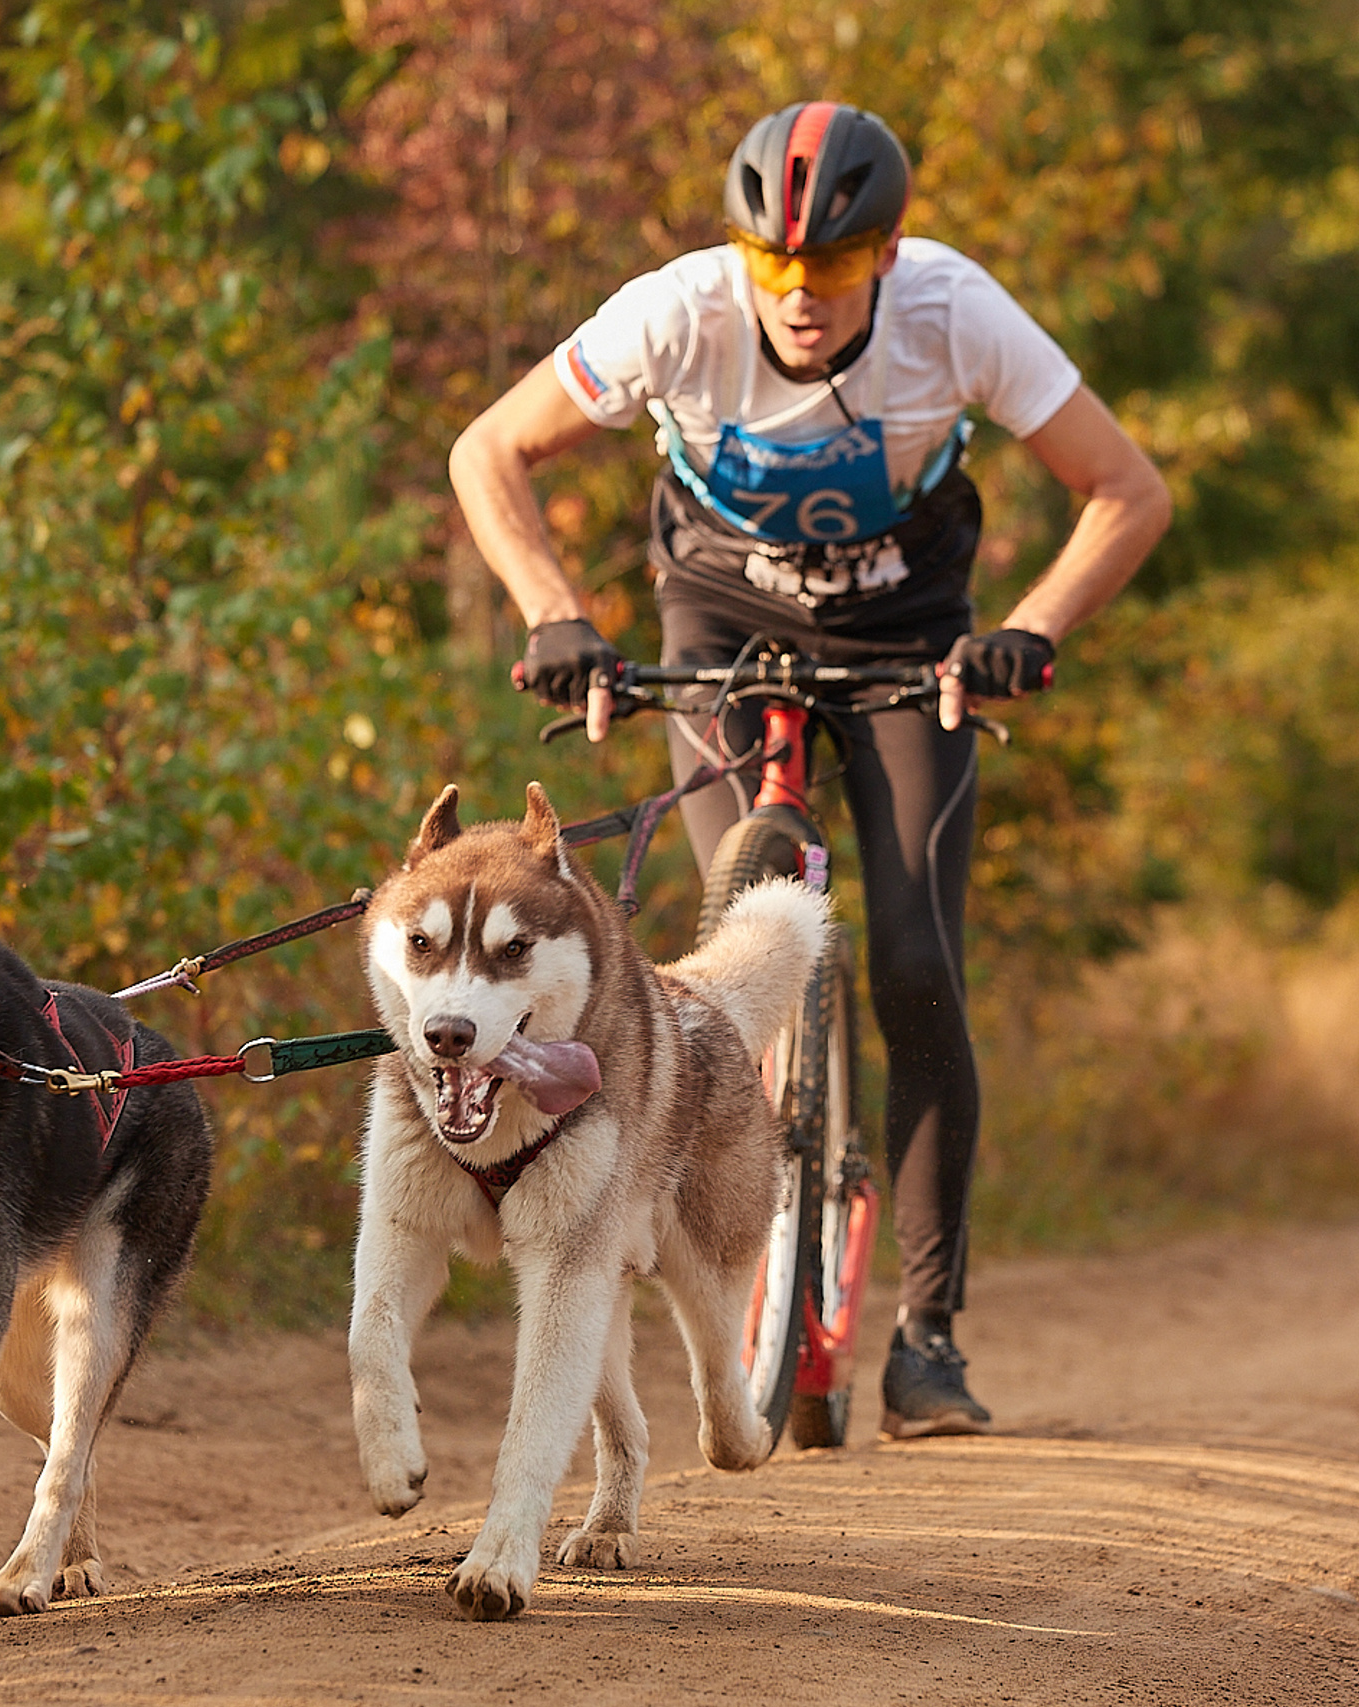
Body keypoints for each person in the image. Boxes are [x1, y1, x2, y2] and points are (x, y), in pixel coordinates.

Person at [447, 101, 1171, 1439]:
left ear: (887, 256)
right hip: (721, 617)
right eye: (772, 267)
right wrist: (553, 607)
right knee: (728, 954)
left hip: (909, 630)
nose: (797, 299)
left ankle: (928, 1339)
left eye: (832, 271)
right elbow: (487, 450)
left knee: (911, 957)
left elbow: (1128, 489)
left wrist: (1029, 633)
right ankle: (733, 1266)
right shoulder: (676, 313)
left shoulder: (959, 312)